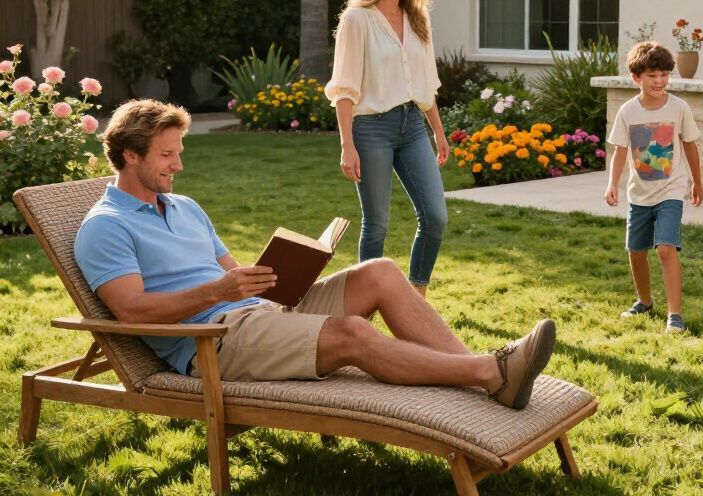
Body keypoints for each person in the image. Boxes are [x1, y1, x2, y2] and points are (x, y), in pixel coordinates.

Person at [73, 100, 555, 411]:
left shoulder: (184, 206)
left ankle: (488, 381)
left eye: (179, 152)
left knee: (382, 272)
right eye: (166, 155)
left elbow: (233, 274)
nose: (178, 165)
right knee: (352, 334)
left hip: (258, 314)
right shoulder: (105, 228)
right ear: (130, 155)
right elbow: (131, 311)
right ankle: (490, 371)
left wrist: (290, 270)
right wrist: (219, 292)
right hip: (212, 342)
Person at [327, 0, 448, 294]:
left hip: (412, 126)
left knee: (436, 216)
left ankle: (416, 297)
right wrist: (347, 145)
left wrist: (438, 133)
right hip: (371, 129)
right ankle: (365, 303)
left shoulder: (417, 17)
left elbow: (426, 84)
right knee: (377, 223)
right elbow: (345, 89)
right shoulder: (357, 19)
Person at [603, 41, 703, 333]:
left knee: (665, 248)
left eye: (664, 75)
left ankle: (675, 314)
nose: (659, 81)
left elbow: (690, 145)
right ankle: (644, 302)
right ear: (636, 78)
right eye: (652, 76)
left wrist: (697, 182)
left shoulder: (679, 107)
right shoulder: (627, 112)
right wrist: (612, 184)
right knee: (636, 251)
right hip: (639, 193)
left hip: (671, 190)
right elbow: (620, 151)